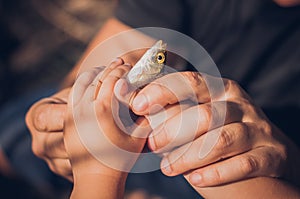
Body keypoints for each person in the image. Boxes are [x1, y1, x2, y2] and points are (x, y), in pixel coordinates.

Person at [26, 0, 300, 198]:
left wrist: (98, 176)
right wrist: (54, 114)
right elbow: (123, 51)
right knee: (15, 131)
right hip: (156, 140)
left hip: (196, 161)